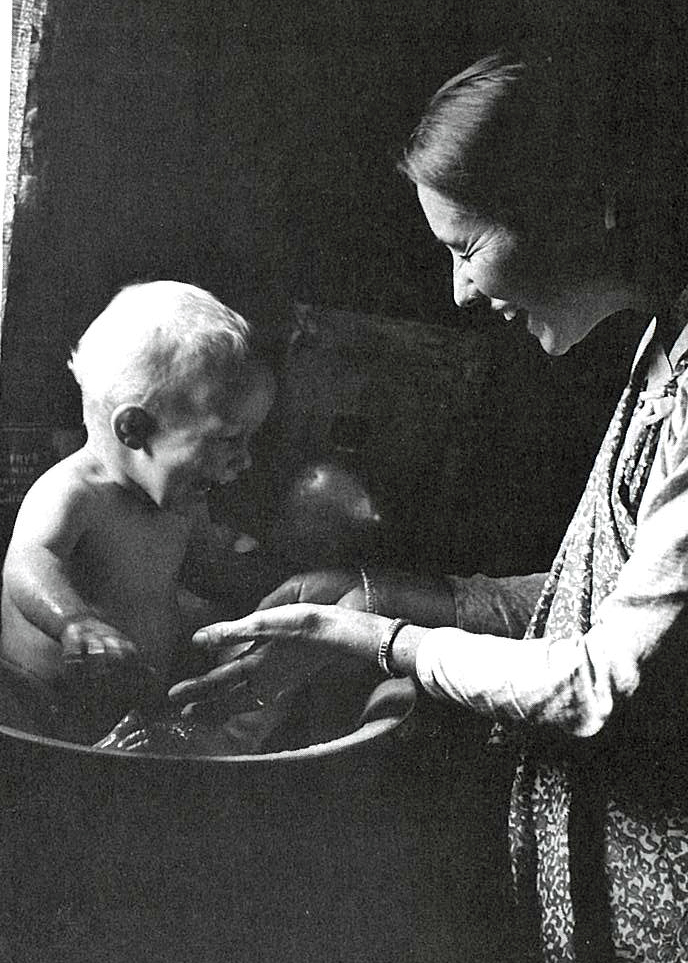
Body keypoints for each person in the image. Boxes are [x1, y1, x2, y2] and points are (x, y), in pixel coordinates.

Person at [168, 47, 688, 961]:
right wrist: (383, 595)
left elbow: (606, 682)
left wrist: (385, 645)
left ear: (583, 207)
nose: (460, 290)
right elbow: (603, 601)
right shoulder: (662, 354)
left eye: (468, 248)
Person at [1, 280, 275, 744]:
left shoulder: (184, 500)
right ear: (134, 429)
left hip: (127, 691)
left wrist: (247, 573)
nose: (245, 460)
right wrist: (74, 621)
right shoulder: (76, 491)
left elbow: (200, 561)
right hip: (38, 698)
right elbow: (27, 562)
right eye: (229, 438)